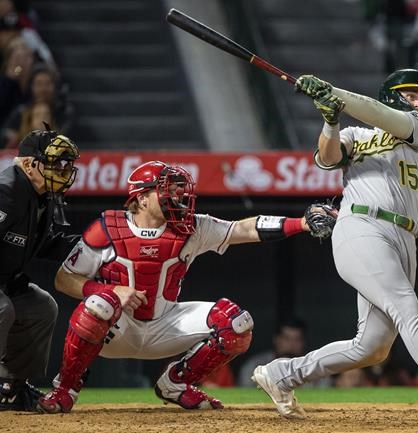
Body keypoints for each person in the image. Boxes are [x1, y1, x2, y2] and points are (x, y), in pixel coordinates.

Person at [251, 69, 418, 424]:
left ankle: (283, 374)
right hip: (360, 225)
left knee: (372, 347)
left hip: (404, 237)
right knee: (407, 308)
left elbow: (377, 112)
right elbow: (327, 159)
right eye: (411, 94)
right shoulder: (356, 133)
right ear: (392, 93)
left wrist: (332, 90)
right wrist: (330, 120)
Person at [36, 160, 334, 413]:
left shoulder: (192, 227)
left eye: (178, 189)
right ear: (141, 198)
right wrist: (111, 291)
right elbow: (64, 280)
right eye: (166, 189)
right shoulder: (107, 228)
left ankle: (176, 383)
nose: (177, 195)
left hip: (166, 325)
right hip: (117, 330)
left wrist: (302, 224)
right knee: (100, 303)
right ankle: (67, 388)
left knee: (238, 323)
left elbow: (242, 228)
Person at [0, 128, 80, 411]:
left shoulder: (42, 196)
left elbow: (48, 244)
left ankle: (11, 387)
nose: (64, 170)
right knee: (2, 308)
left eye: (67, 164)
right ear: (28, 164)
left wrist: (96, 245)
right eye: (57, 162)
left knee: (41, 306)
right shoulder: (5, 190)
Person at [237, 317, 308, 387]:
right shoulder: (254, 366)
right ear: (276, 340)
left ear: (304, 342)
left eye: (297, 339)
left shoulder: (312, 367)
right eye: (287, 338)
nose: (292, 344)